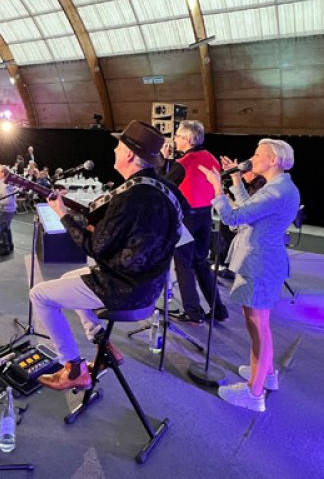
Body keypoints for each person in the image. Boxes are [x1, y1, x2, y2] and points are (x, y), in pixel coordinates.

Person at [31, 120, 185, 390]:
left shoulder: (130, 196)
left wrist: (63, 214)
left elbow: (93, 247)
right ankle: (103, 345)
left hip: (122, 288)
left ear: (128, 154)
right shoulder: (167, 190)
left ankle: (73, 367)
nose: (114, 150)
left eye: (118, 145)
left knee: (40, 295)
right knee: (70, 278)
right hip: (150, 286)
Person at [198, 139, 300, 412]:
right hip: (264, 262)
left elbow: (233, 218)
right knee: (260, 326)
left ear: (274, 160)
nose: (253, 158)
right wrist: (235, 180)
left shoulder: (275, 193)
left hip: (260, 264)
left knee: (258, 329)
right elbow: (249, 212)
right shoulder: (279, 188)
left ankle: (254, 394)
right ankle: (266, 375)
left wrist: (217, 188)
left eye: (258, 154)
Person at [161, 120, 227, 325]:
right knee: (201, 263)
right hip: (205, 216)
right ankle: (218, 309)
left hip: (187, 219)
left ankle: (192, 311)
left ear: (188, 139)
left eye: (178, 136)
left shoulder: (185, 163)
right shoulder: (211, 158)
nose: (175, 140)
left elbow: (162, 186)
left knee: (183, 264)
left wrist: (163, 161)